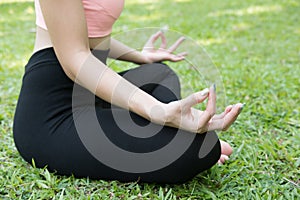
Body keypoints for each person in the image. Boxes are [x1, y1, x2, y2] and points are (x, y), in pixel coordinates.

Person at [13, 0, 243, 183]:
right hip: (55, 114)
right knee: (194, 149)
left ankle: (171, 133)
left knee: (159, 74)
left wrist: (139, 56)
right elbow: (75, 58)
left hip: (93, 92)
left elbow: (92, 36)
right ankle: (181, 137)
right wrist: (157, 111)